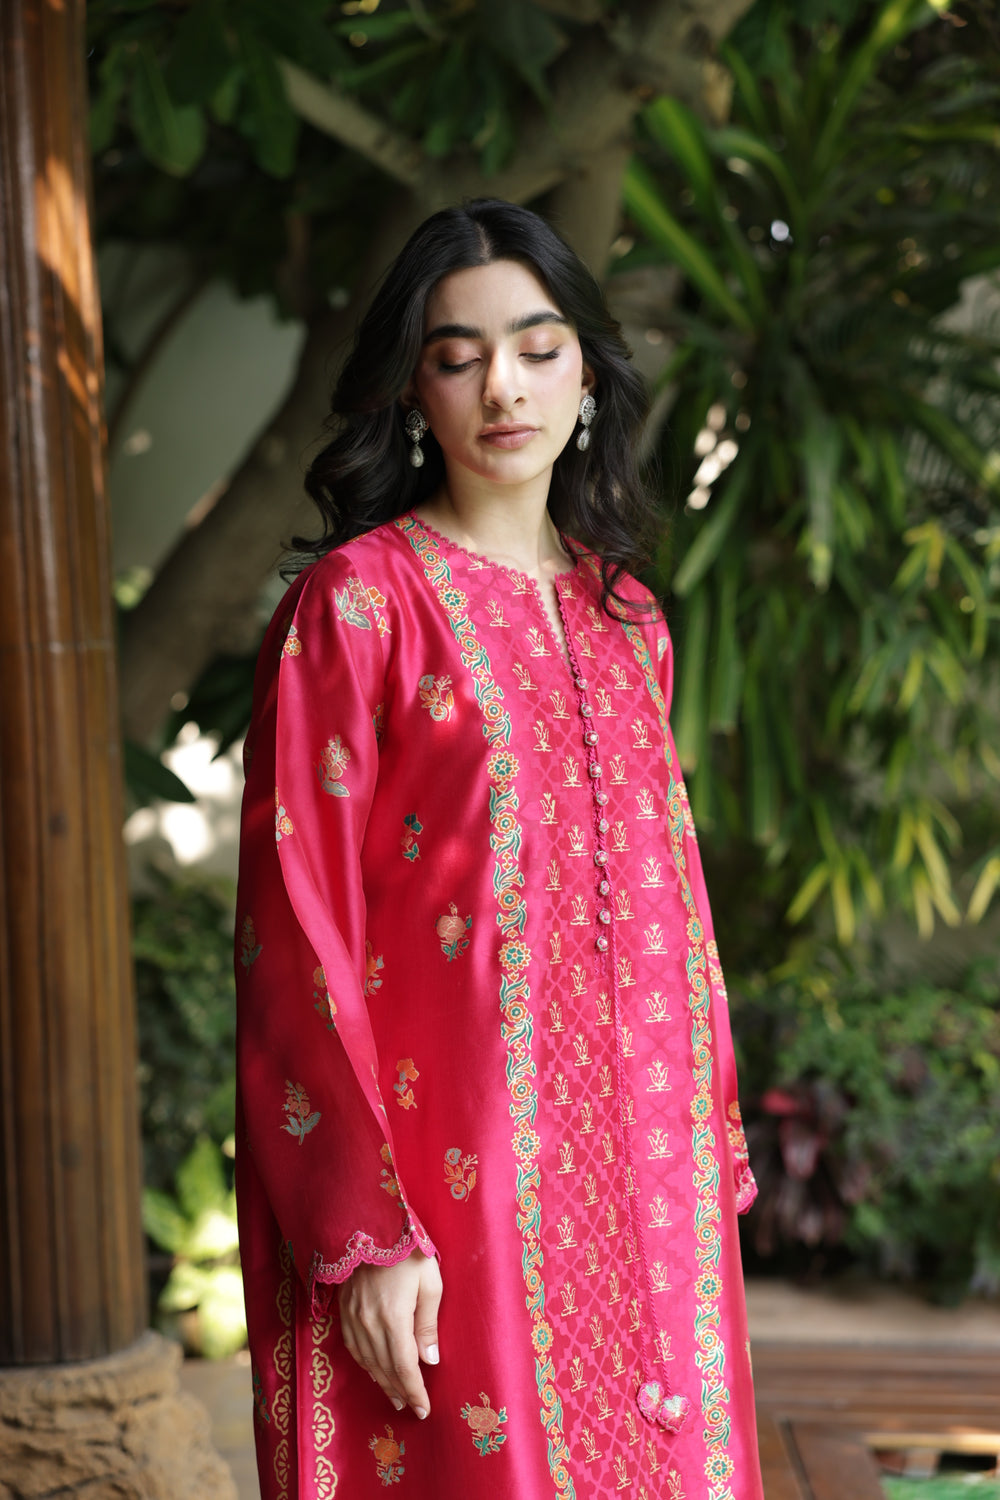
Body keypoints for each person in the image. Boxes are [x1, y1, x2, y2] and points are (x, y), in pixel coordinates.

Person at [235, 198, 764, 1500]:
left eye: (536, 349)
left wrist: (706, 1138)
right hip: (451, 1187)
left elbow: (674, 910)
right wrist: (365, 1228)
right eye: (458, 357)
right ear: (416, 394)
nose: (503, 388)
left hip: (648, 1176)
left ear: (586, 373)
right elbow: (296, 924)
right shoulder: (359, 608)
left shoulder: (628, 620)